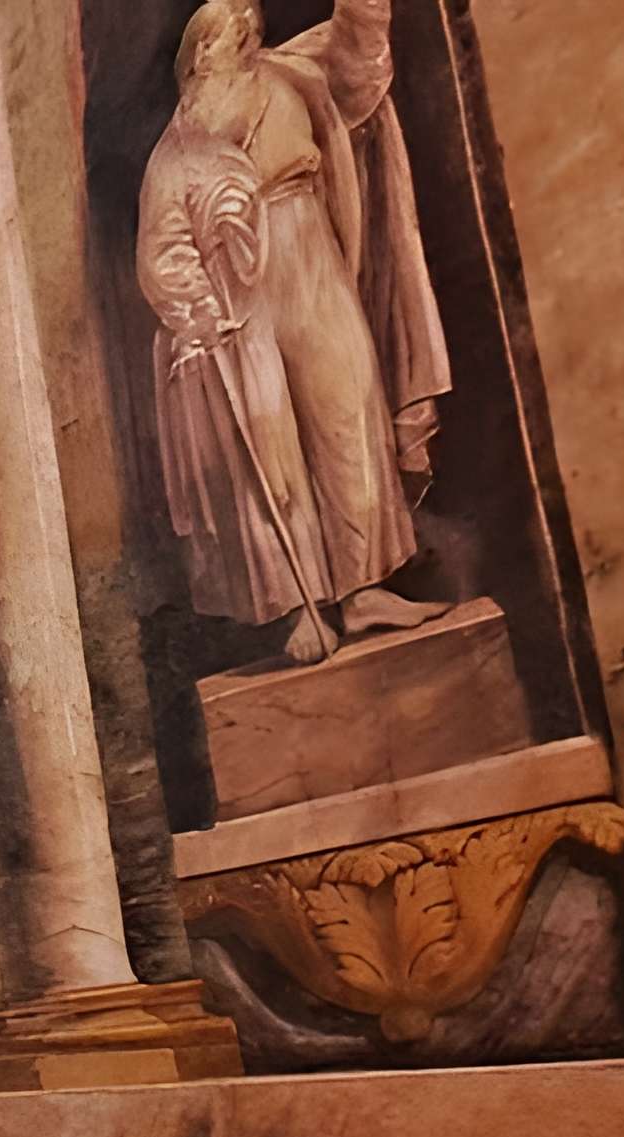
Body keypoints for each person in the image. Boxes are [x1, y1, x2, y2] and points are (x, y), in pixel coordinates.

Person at [138, 0, 455, 667]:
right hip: (239, 297)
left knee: (347, 407)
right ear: (199, 56)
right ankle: (303, 604)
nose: (250, 35)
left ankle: (365, 588)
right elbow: (163, 254)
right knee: (271, 450)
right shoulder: (178, 149)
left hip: (310, 251)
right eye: (233, 32)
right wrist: (197, 310)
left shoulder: (292, 77)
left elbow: (359, 63)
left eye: (252, 27)